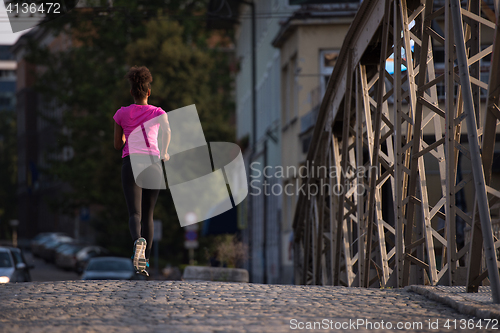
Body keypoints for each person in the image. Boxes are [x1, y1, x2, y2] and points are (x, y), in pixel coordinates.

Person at [113, 66, 171, 276]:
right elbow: (167, 131)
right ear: (148, 92)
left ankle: (138, 241)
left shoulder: (121, 113)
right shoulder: (158, 112)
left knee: (134, 213)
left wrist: (126, 135)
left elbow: (117, 145)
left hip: (131, 163)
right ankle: (144, 261)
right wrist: (164, 152)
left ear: (131, 92)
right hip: (153, 164)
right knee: (148, 214)